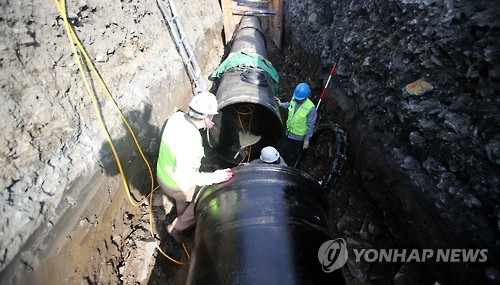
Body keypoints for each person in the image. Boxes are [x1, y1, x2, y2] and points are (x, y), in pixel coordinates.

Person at [156, 92, 233, 242]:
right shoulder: (191, 141)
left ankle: (178, 208)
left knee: (182, 199)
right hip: (176, 184)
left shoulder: (177, 118)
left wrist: (204, 122)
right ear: (207, 116)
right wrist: (213, 177)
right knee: (202, 198)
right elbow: (183, 176)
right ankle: (177, 227)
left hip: (162, 176)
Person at [275, 82, 317, 165]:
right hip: (288, 132)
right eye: (297, 98)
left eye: (299, 99)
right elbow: (289, 105)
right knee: (283, 151)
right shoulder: (294, 99)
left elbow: (311, 125)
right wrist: (280, 104)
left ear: (305, 97)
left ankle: (289, 167)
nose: (297, 100)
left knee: (292, 156)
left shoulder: (311, 108)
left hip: (298, 139)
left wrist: (306, 140)